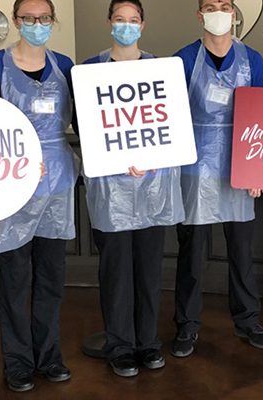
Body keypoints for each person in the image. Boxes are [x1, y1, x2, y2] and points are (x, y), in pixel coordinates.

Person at [0, 0, 78, 392]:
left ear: (53, 21)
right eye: (29, 18)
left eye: (44, 18)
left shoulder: (65, 66)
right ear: (16, 21)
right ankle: (17, 362)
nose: (37, 24)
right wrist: (14, 160)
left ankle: (49, 356)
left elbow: (87, 120)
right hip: (13, 183)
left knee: (51, 277)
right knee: (15, 278)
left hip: (57, 182)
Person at [82, 0, 184, 378]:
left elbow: (173, 124)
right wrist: (118, 156)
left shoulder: (162, 71)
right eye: (120, 19)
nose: (126, 25)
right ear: (109, 22)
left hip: (153, 186)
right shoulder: (90, 72)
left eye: (133, 20)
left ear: (143, 25)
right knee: (116, 271)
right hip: (110, 189)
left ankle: (148, 343)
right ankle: (121, 346)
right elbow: (86, 125)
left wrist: (152, 156)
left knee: (148, 269)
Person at [172, 0, 263, 357]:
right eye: (211, 6)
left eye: (225, 6)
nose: (219, 12)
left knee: (241, 251)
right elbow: (169, 113)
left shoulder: (253, 60)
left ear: (234, 13)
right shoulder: (183, 60)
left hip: (240, 163)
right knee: (192, 252)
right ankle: (187, 325)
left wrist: (258, 167)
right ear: (200, 14)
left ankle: (248, 320)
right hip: (194, 164)